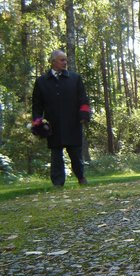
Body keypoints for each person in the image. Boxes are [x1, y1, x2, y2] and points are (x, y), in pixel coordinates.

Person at [32, 49, 91, 187]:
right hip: (53, 124)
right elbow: (37, 105)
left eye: (66, 59)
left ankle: (81, 177)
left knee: (76, 154)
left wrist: (84, 116)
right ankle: (58, 183)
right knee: (56, 154)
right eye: (62, 60)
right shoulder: (41, 82)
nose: (65, 62)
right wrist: (37, 122)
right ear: (53, 62)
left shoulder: (75, 78)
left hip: (73, 122)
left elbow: (83, 99)